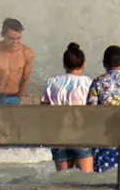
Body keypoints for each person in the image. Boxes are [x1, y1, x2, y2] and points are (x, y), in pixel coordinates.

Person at [42, 43, 94, 172]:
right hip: (80, 135)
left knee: (62, 179)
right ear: (84, 64)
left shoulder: (52, 82)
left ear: (64, 64)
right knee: (87, 179)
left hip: (58, 136)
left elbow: (43, 107)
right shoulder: (88, 83)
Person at [0, 18, 34, 105]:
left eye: (18, 38)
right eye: (11, 38)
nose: (15, 42)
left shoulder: (26, 53)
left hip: (12, 97)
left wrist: (19, 100)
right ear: (2, 35)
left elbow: (25, 80)